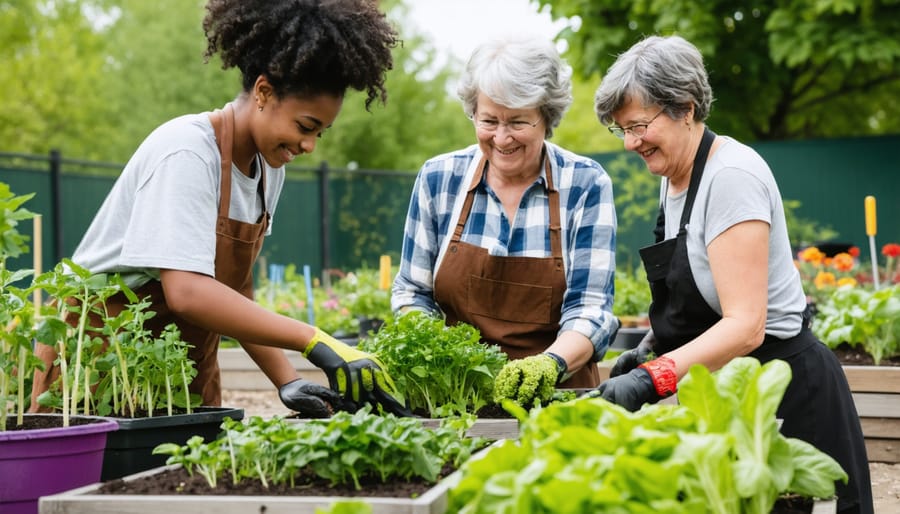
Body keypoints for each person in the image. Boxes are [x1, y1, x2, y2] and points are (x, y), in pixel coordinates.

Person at [29, 0, 409, 418]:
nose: (309, 146)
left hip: (181, 367)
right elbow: (187, 292)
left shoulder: (267, 167)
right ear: (264, 92)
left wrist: (287, 379)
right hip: (103, 362)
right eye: (304, 127)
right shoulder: (187, 152)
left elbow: (233, 289)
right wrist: (314, 339)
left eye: (320, 132)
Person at [591, 35, 873, 514]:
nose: (632, 142)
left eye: (638, 125)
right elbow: (698, 296)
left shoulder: (730, 178)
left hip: (783, 395)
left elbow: (745, 325)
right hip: (728, 392)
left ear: (685, 107)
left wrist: (652, 379)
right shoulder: (673, 177)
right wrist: (651, 348)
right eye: (623, 130)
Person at [391, 34, 620, 405]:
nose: (501, 137)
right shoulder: (439, 178)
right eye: (488, 120)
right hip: (454, 399)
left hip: (556, 400)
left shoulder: (585, 183)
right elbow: (412, 292)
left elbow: (590, 308)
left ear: (547, 117)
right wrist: (447, 361)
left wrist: (549, 364)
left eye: (517, 122)